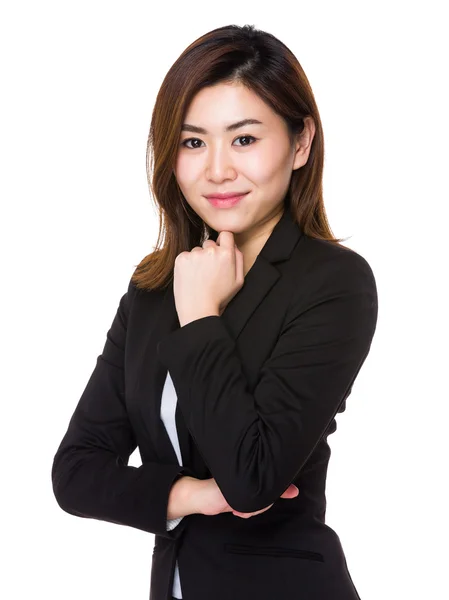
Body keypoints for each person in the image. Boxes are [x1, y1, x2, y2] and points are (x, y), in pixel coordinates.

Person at [51, 23, 378, 600]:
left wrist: (201, 315)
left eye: (245, 139)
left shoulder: (334, 284)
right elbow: (76, 472)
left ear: (300, 143)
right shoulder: (154, 288)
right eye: (193, 141)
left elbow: (251, 479)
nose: (217, 170)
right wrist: (191, 496)